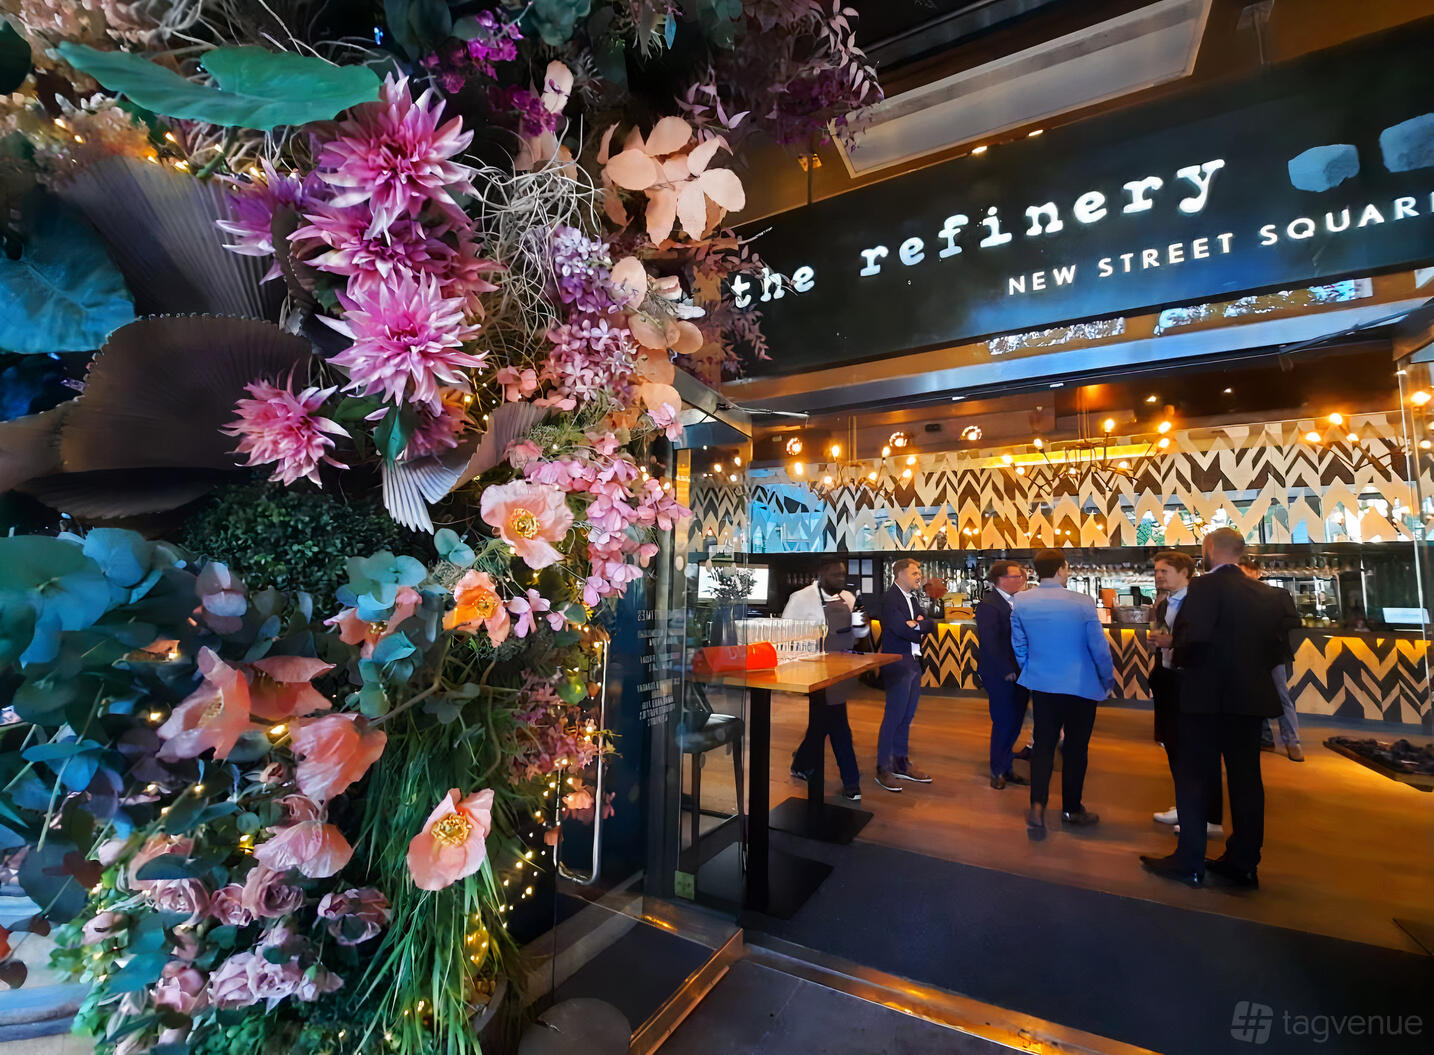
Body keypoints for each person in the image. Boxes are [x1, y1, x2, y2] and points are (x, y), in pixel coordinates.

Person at [1141, 528, 1284, 889]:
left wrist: (1178, 653)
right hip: (1250, 699)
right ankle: (1244, 863)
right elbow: (1280, 653)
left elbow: (1192, 641)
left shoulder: (1202, 588)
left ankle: (1189, 861)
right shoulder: (1270, 594)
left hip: (1204, 698)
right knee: (1247, 781)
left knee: (1193, 777)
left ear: (1208, 550)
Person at [1011, 549, 1114, 832]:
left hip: (1043, 684)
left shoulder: (1021, 601)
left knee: (1043, 746)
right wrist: (1107, 679)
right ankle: (1071, 809)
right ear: (1060, 569)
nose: (1067, 573)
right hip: (1081, 686)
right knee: (1076, 749)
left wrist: (1032, 671)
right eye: (1066, 569)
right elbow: (1099, 648)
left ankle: (1037, 806)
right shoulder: (1082, 602)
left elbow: (1019, 646)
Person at [1147, 551, 1222, 835]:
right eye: (1156, 571)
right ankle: (1185, 805)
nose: (1158, 576)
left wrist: (1172, 642)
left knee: (1201, 751)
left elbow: (1205, 642)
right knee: (1175, 747)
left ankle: (1210, 818)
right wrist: (1158, 641)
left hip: (1193, 682)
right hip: (1168, 680)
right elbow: (1164, 637)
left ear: (1185, 573)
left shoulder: (1200, 602)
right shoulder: (1164, 604)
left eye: (1164, 571)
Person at [784, 558, 867, 801]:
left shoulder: (849, 599)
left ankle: (800, 764)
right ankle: (852, 782)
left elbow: (860, 633)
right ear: (821, 573)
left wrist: (862, 620)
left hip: (842, 672)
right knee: (838, 724)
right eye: (835, 575)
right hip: (814, 672)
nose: (841, 579)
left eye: (843, 575)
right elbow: (786, 633)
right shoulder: (801, 599)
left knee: (821, 723)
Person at [875, 557, 937, 792]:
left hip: (913, 662)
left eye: (919, 572)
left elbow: (929, 624)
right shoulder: (891, 599)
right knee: (893, 716)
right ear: (899, 575)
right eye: (914, 572)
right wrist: (915, 627)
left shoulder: (912, 598)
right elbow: (902, 630)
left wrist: (917, 625)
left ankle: (901, 763)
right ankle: (883, 768)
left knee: (907, 716)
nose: (919, 576)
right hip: (896, 662)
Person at [1240, 558, 1305, 762]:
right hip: (1246, 654)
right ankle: (1265, 738)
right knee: (1252, 697)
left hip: (1273, 652)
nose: (1246, 577)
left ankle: (1293, 742)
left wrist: (1269, 624)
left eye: (1249, 572)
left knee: (1281, 696)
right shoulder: (1237, 598)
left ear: (1258, 573)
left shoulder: (1278, 594)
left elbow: (1294, 620)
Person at [976, 561, 1030, 790]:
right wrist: (1006, 670)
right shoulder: (989, 605)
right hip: (1002, 674)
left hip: (1022, 672)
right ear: (1001, 579)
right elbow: (990, 644)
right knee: (1004, 722)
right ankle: (997, 770)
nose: (1021, 580)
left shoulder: (1018, 601)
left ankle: (1007, 767)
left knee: (1016, 721)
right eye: (1016, 576)